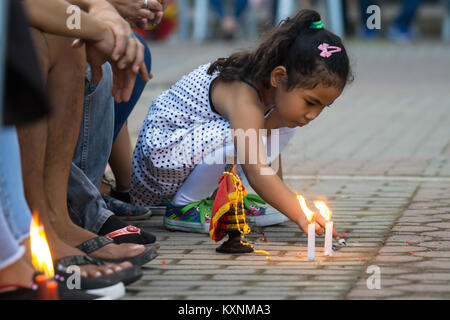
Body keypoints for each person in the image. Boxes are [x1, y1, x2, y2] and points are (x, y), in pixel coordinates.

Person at [131, 9, 351, 238]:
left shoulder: (271, 94)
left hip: (186, 157)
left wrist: (284, 201)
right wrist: (301, 214)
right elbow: (256, 169)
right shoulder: (244, 94)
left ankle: (244, 197)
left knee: (281, 124)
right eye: (310, 102)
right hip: (159, 164)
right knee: (241, 139)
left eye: (323, 106)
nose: (313, 115)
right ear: (278, 76)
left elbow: (267, 160)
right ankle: (184, 208)